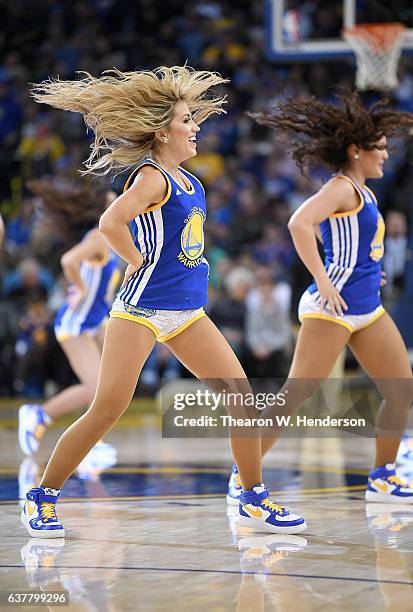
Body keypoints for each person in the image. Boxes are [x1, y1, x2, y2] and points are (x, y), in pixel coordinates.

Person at [21, 66, 307, 538]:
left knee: (242, 399)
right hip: (140, 309)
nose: (195, 126)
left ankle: (253, 495)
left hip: (186, 312)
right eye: (186, 120)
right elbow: (112, 222)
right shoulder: (152, 178)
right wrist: (134, 260)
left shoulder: (192, 182)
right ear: (162, 132)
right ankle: (43, 493)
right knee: (107, 408)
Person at [248, 90, 413, 504]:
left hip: (365, 309)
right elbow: (299, 224)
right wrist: (322, 279)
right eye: (379, 149)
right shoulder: (342, 188)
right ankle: (244, 475)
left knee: (400, 390)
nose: (386, 157)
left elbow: (356, 246)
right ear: (356, 150)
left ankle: (382, 475)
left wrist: (369, 274)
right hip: (332, 308)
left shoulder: (365, 190)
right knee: (296, 395)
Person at [18, 178, 120, 466]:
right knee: (96, 388)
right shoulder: (98, 237)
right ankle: (40, 414)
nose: (118, 202)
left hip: (92, 322)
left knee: (107, 386)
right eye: (113, 199)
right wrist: (82, 288)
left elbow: (102, 281)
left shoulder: (107, 236)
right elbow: (68, 261)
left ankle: (93, 441)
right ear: (104, 206)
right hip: (75, 325)